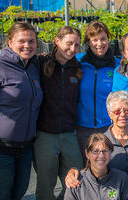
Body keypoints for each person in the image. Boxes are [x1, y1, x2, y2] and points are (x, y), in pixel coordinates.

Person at [34, 26, 84, 200]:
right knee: (45, 186)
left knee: (77, 180)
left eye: (77, 45)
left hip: (70, 134)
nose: (72, 49)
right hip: (45, 135)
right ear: (57, 40)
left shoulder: (77, 68)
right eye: (68, 43)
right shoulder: (40, 63)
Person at [0, 22, 43, 200]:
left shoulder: (33, 66)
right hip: (2, 147)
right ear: (9, 42)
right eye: (21, 41)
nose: (27, 45)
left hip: (26, 147)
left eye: (31, 41)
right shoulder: (1, 66)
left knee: (19, 192)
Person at [75, 21, 120, 162]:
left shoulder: (118, 65)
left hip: (109, 128)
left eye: (103, 39)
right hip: (82, 128)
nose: (99, 43)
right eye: (94, 40)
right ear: (88, 42)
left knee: (107, 167)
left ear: (108, 40)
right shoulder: (78, 62)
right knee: (85, 168)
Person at [64, 133, 128, 200]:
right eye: (95, 151)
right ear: (87, 153)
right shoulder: (75, 181)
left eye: (105, 151)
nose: (101, 156)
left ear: (110, 153)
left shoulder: (122, 179)